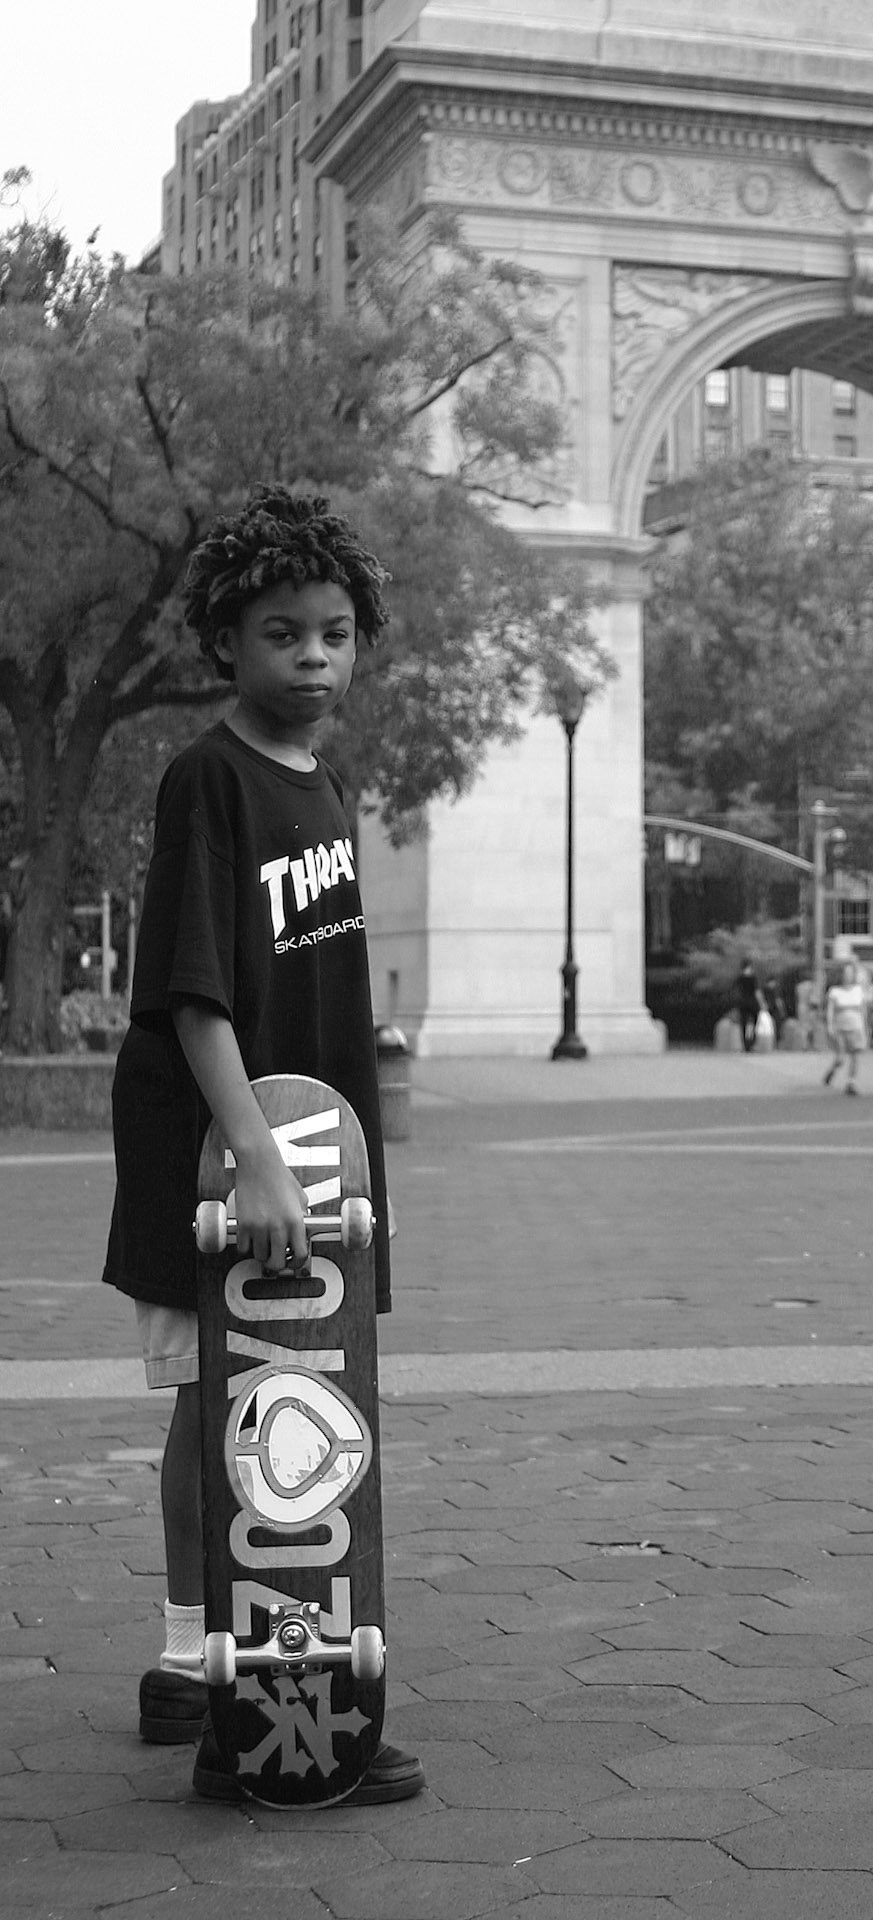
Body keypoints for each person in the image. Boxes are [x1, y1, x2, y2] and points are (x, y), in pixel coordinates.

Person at [102, 486, 424, 1806]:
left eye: (334, 633)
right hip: (218, 1144)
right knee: (217, 1398)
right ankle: (214, 1667)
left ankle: (247, 1660)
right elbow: (193, 992)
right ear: (224, 641)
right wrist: (254, 1153)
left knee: (302, 1388)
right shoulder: (208, 779)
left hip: (305, 1144)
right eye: (282, 633)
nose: (313, 657)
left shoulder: (326, 782)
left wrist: (327, 1150)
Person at [823, 958, 869, 1095]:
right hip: (840, 1028)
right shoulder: (834, 992)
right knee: (841, 1058)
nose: (848, 976)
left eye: (850, 973)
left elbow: (863, 1010)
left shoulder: (858, 990)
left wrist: (865, 1027)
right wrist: (830, 1026)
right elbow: (830, 1011)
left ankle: (851, 1082)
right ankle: (832, 1071)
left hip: (856, 1026)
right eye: (845, 973)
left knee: (855, 1055)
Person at [734, 958, 766, 1053]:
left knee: (743, 1024)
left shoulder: (739, 978)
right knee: (755, 1023)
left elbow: (736, 991)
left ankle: (745, 1045)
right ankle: (752, 1042)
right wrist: (762, 1003)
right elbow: (757, 992)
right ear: (750, 966)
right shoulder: (753, 978)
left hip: (742, 1003)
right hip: (752, 1003)